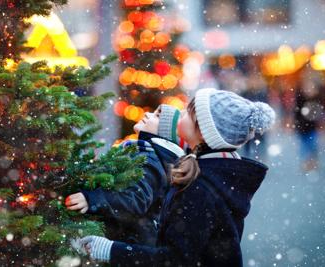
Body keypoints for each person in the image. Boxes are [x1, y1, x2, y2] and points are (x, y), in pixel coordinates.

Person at [73, 88, 275, 267]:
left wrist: (109, 249)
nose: (181, 114)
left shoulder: (201, 188)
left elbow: (175, 259)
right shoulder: (215, 174)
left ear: (204, 132)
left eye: (188, 112)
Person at [65, 104, 187, 246]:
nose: (147, 114)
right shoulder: (146, 154)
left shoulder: (150, 160)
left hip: (129, 243)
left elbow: (135, 198)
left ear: (166, 133)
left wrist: (93, 199)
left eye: (157, 116)